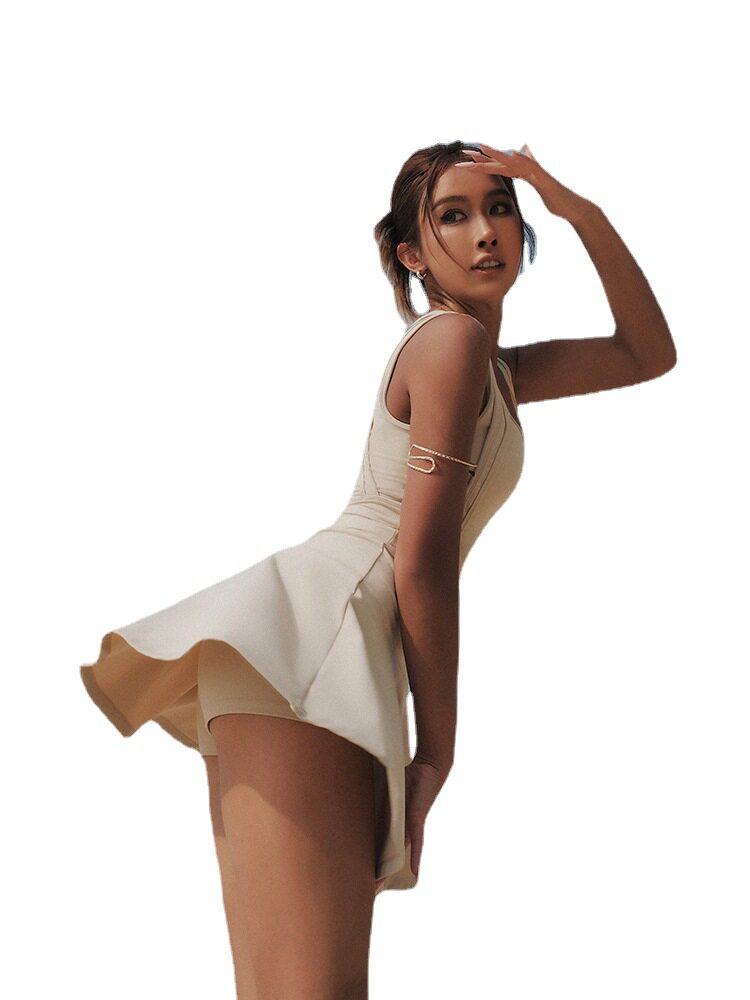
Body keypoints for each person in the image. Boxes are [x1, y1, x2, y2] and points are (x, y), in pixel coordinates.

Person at [79, 139, 676, 997]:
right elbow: (422, 564)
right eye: (453, 216)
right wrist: (440, 750)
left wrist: (571, 205)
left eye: (501, 209)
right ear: (411, 253)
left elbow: (647, 352)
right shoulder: (450, 344)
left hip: (319, 648)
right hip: (318, 648)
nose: (486, 232)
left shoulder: (495, 368)